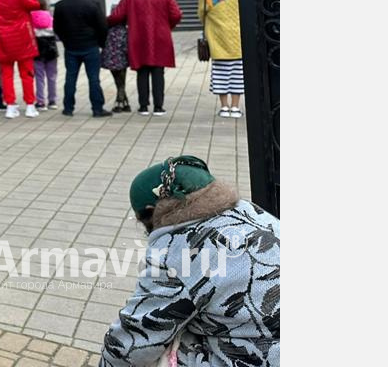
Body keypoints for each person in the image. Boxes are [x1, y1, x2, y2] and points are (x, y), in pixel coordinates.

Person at [102, 155, 279, 367]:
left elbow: (132, 340)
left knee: (170, 342)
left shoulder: (177, 249)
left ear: (151, 211)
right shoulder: (252, 212)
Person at [107, 0, 182, 116]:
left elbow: (116, 16)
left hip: (138, 38)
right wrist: (168, 26)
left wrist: (105, 22)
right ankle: (159, 107)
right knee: (158, 72)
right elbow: (176, 14)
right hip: (160, 38)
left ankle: (143, 106)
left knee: (142, 71)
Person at [53, 0, 108, 117]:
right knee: (93, 78)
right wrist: (101, 43)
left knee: (70, 78)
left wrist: (66, 41)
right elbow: (102, 27)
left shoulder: (60, 5)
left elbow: (57, 28)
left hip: (71, 47)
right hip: (90, 46)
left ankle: (68, 108)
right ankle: (97, 108)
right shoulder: (93, 4)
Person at [199, 0, 244, 119]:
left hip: (217, 42)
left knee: (221, 75)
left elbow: (201, 16)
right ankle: (236, 108)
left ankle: (224, 107)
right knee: (237, 76)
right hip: (238, 41)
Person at [31, 7, 58, 111]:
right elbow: (57, 35)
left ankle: (40, 102)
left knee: (39, 76)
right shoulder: (51, 18)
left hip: (37, 50)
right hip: (51, 50)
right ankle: (52, 101)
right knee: (52, 76)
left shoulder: (31, 18)